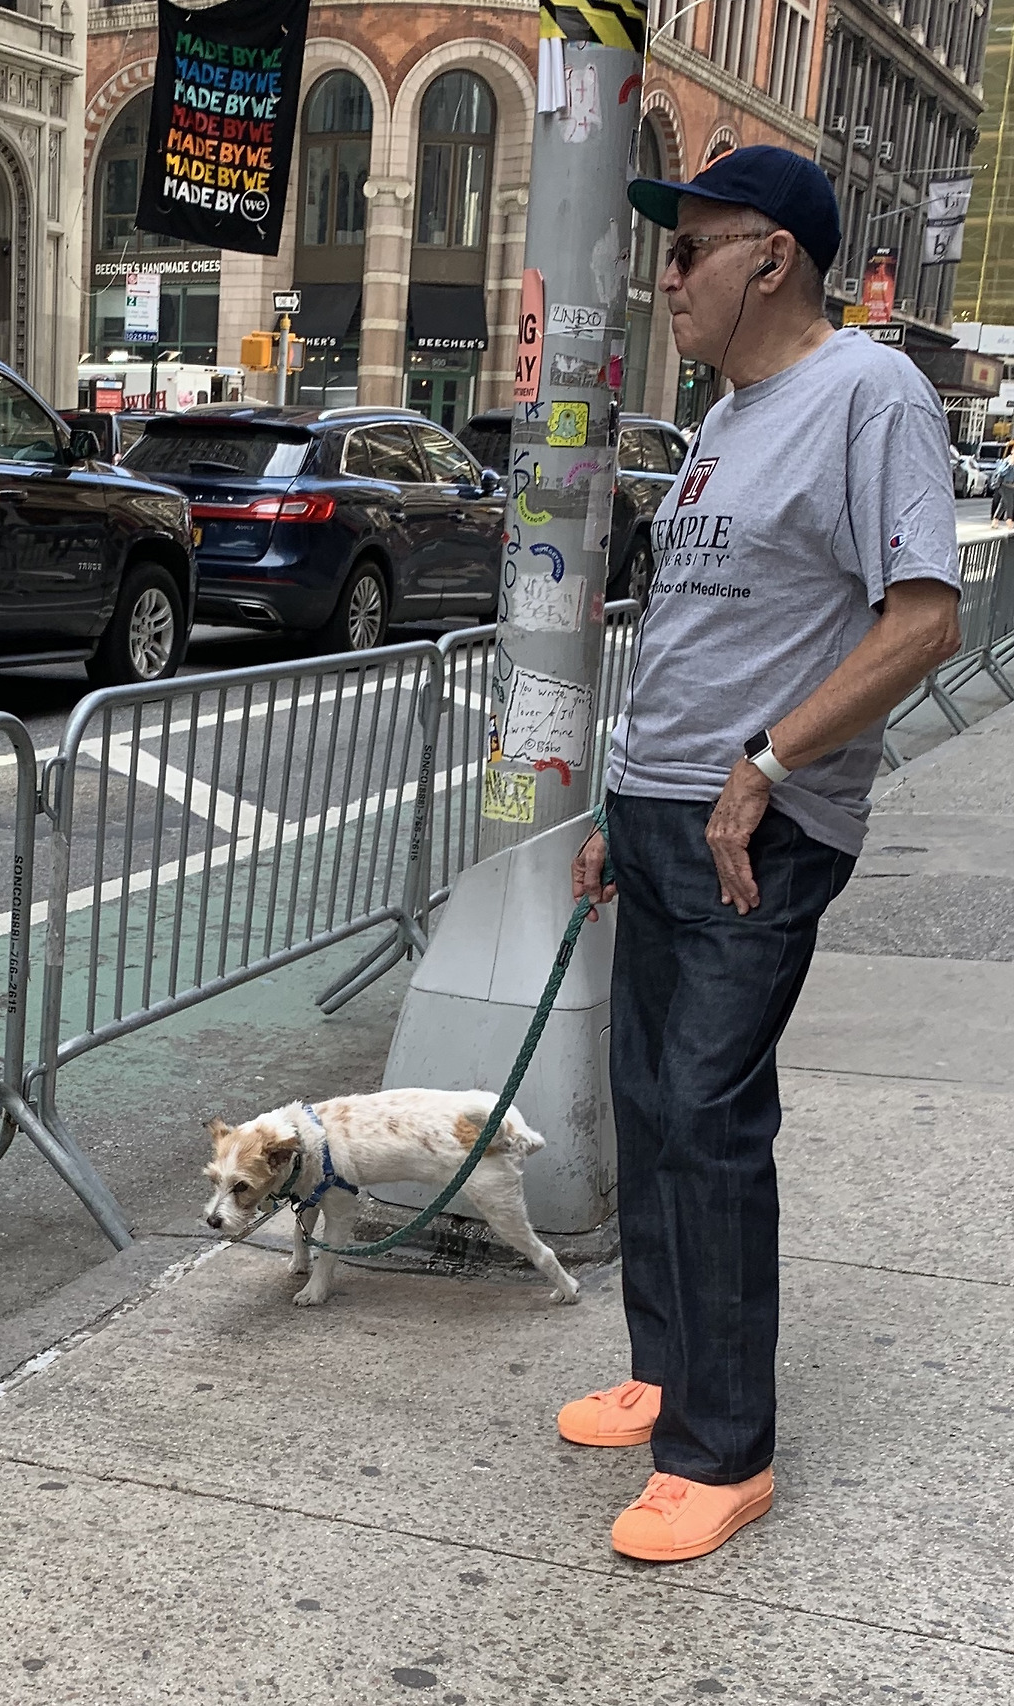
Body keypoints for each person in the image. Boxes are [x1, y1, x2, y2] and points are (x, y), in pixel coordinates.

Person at [559, 146, 961, 1564]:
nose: (667, 278)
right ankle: (668, 1371)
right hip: (663, 811)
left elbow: (925, 618)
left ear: (772, 257)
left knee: (709, 1112)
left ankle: (723, 1450)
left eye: (691, 251)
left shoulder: (870, 393)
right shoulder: (727, 415)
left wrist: (768, 767)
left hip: (759, 827)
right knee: (652, 1104)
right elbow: (689, 635)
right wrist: (617, 806)